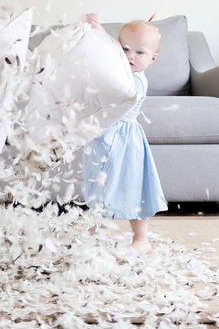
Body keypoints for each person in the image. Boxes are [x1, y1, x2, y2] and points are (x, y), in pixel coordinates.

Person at [81, 13, 168, 255]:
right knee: (101, 185)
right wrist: (98, 29)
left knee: (131, 187)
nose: (130, 55)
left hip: (124, 140)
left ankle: (142, 239)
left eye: (139, 53)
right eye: (125, 48)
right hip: (104, 137)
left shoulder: (137, 80)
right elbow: (110, 50)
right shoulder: (119, 66)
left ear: (153, 58)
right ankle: (101, 228)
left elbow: (119, 97)